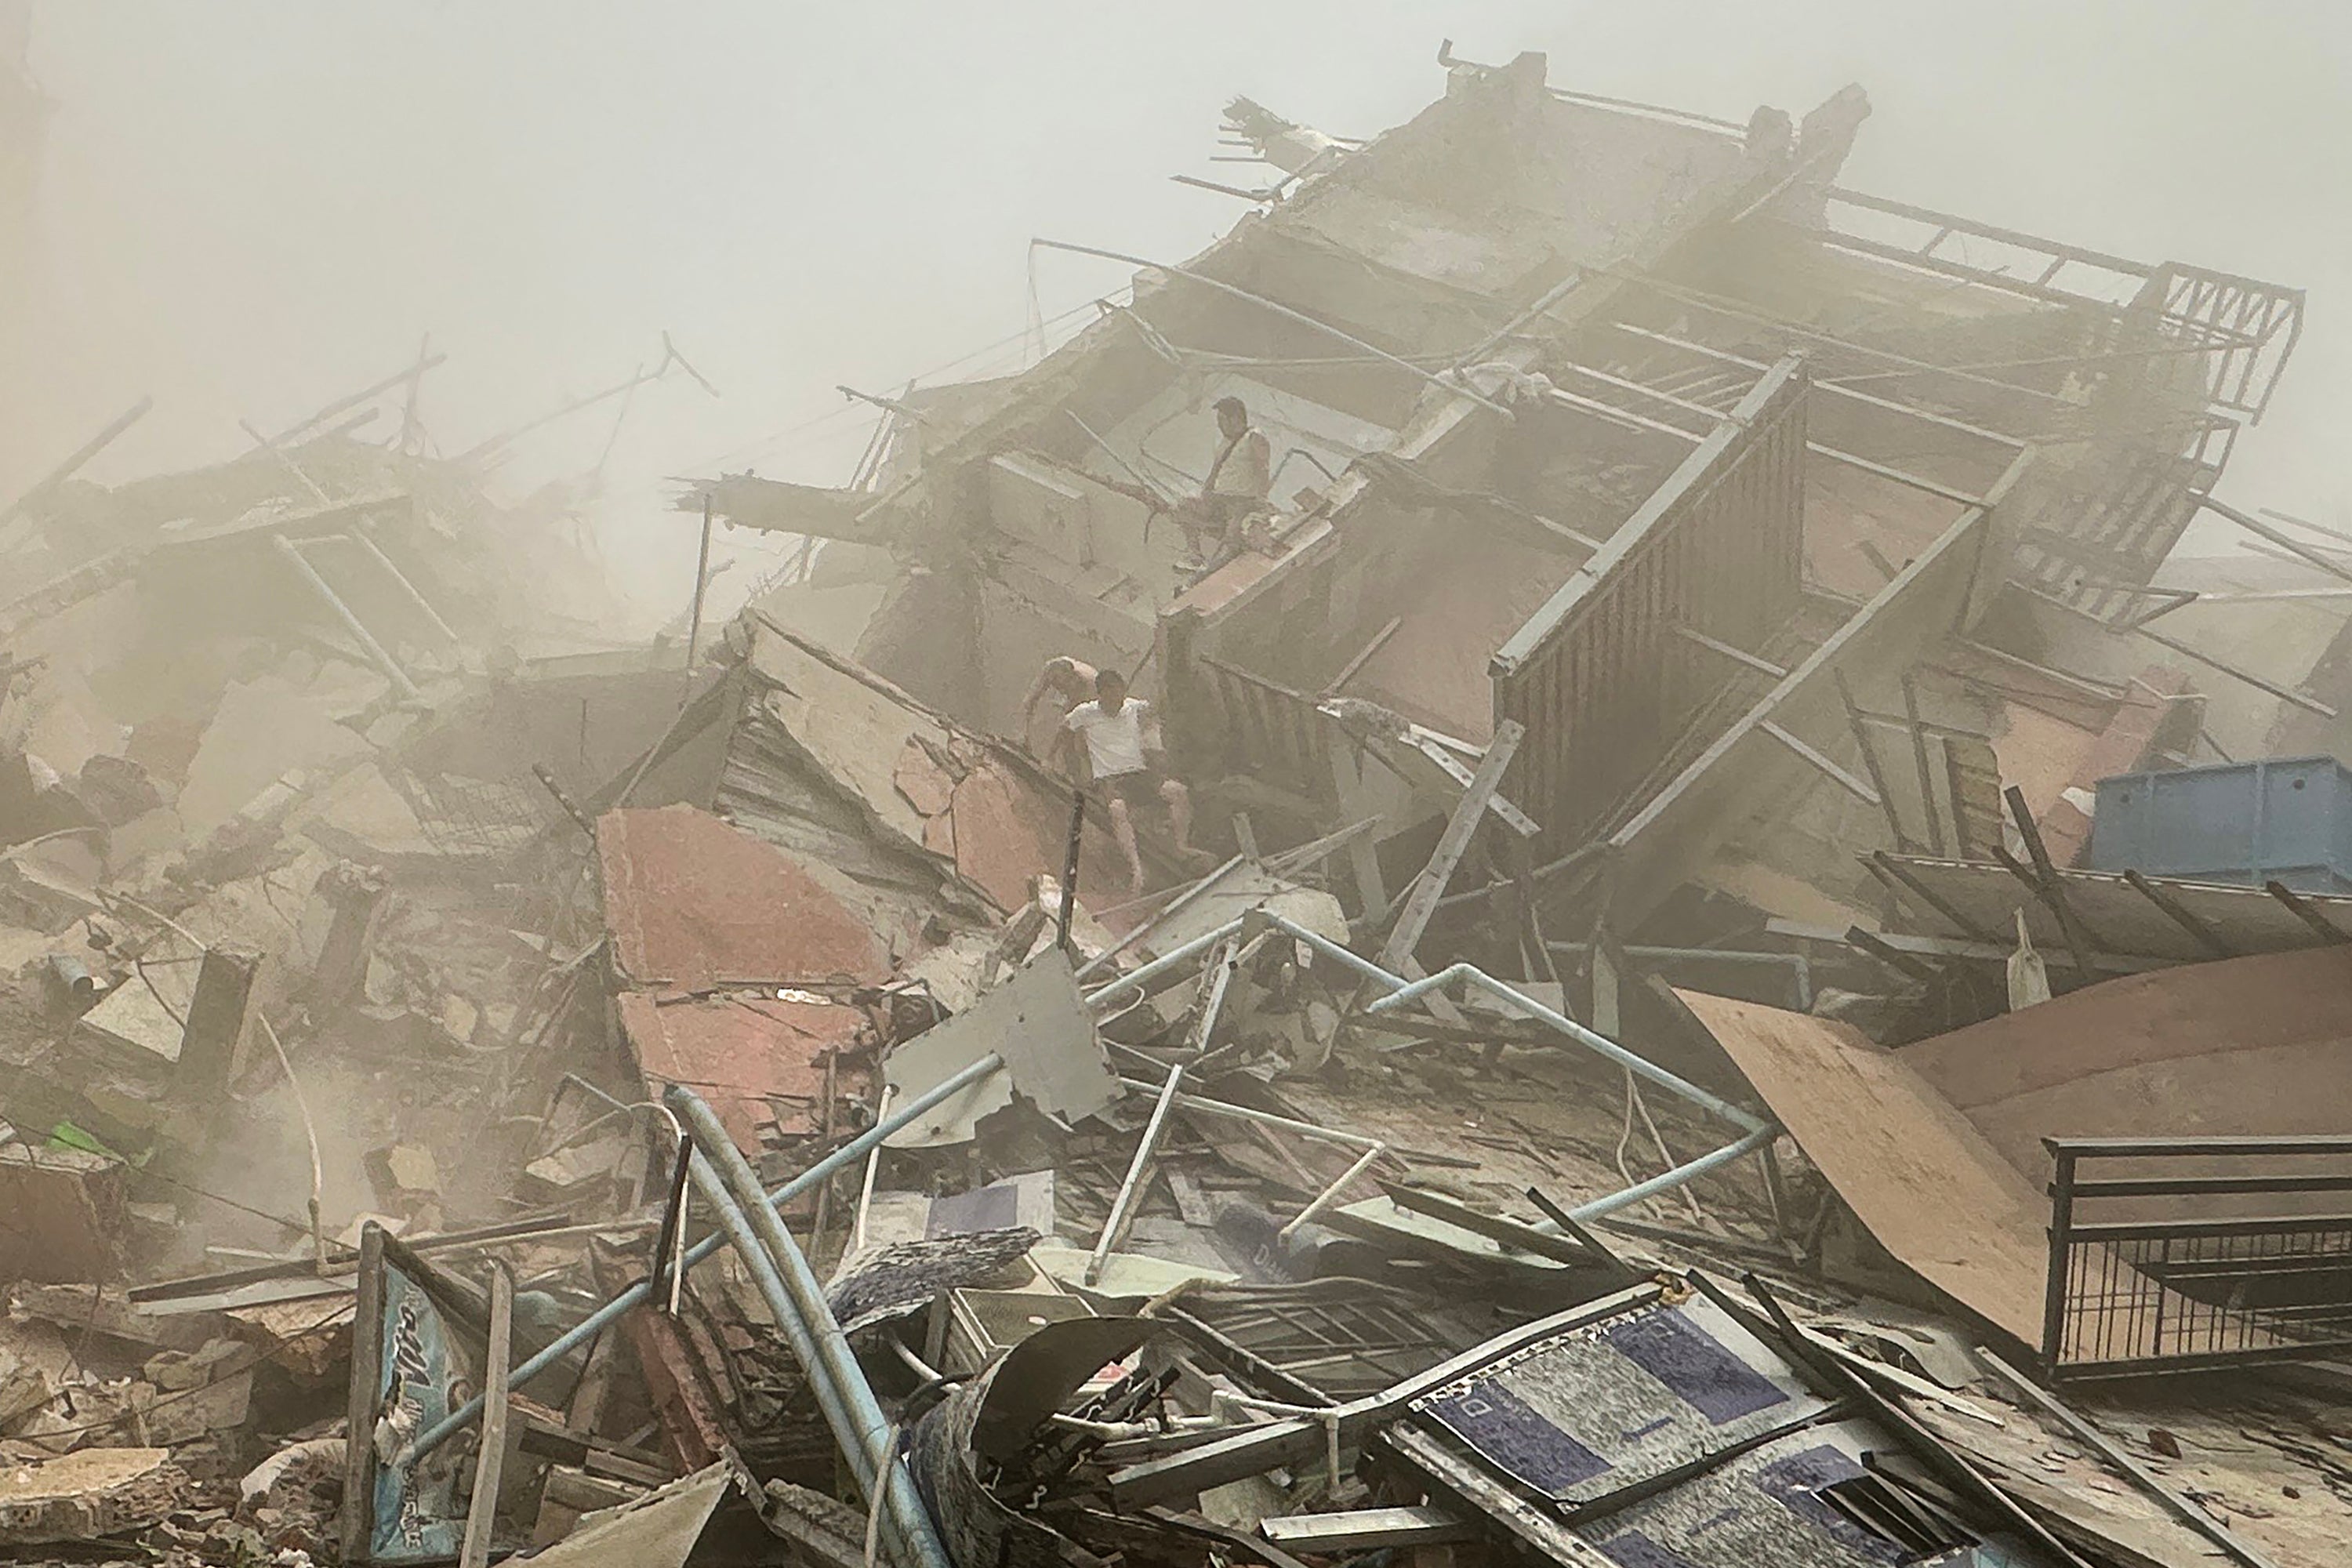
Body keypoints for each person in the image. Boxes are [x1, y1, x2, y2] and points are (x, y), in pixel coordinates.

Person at [1058, 666, 1192, 892]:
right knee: (1118, 810)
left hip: (1139, 774)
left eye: (1120, 695)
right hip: (1110, 779)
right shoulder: (1085, 713)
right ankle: (1136, 868)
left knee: (1179, 791)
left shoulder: (1132, 706)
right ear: (1100, 695)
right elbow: (1064, 730)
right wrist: (1057, 761)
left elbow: (1155, 709)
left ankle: (1182, 845)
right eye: (1111, 697)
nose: (1117, 702)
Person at [1177, 396, 1272, 563]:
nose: (1219, 425)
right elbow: (1216, 469)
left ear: (1235, 418)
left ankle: (1235, 564)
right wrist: (1207, 489)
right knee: (1184, 507)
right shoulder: (1224, 443)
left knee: (1233, 534)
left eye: (1222, 420)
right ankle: (1194, 555)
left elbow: (1263, 469)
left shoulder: (1254, 437)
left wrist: (1261, 499)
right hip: (1220, 499)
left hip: (1243, 500)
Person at [1016, 655, 1098, 753]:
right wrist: (1024, 734)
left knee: (1073, 732)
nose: (1060, 689)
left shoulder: (1084, 685)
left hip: (1094, 695)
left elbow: (1069, 724)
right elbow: (1031, 700)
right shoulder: (1051, 669)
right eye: (1055, 682)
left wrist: (1051, 754)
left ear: (1072, 678)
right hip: (1076, 686)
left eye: (1064, 686)